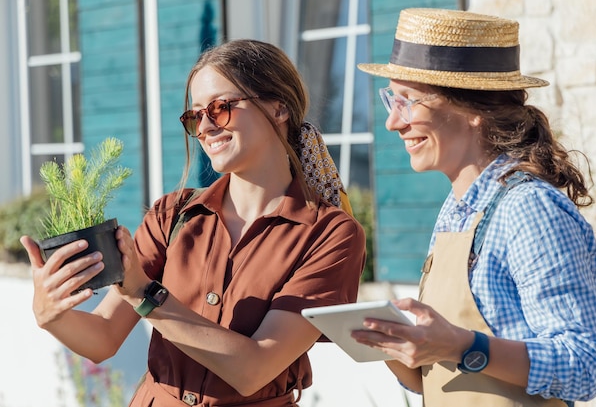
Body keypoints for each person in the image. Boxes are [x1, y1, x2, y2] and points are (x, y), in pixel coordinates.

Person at [20, 39, 366, 406]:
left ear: (279, 107)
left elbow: (255, 368)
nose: (206, 127)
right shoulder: (171, 215)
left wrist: (145, 294)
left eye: (220, 108)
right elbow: (103, 337)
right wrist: (49, 313)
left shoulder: (330, 234)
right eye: (195, 116)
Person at [352, 8, 596, 407]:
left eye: (409, 102)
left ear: (472, 110)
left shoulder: (529, 210)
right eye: (391, 100)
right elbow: (442, 378)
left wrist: (463, 346)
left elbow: (584, 366)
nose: (392, 122)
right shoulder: (457, 209)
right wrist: (391, 343)